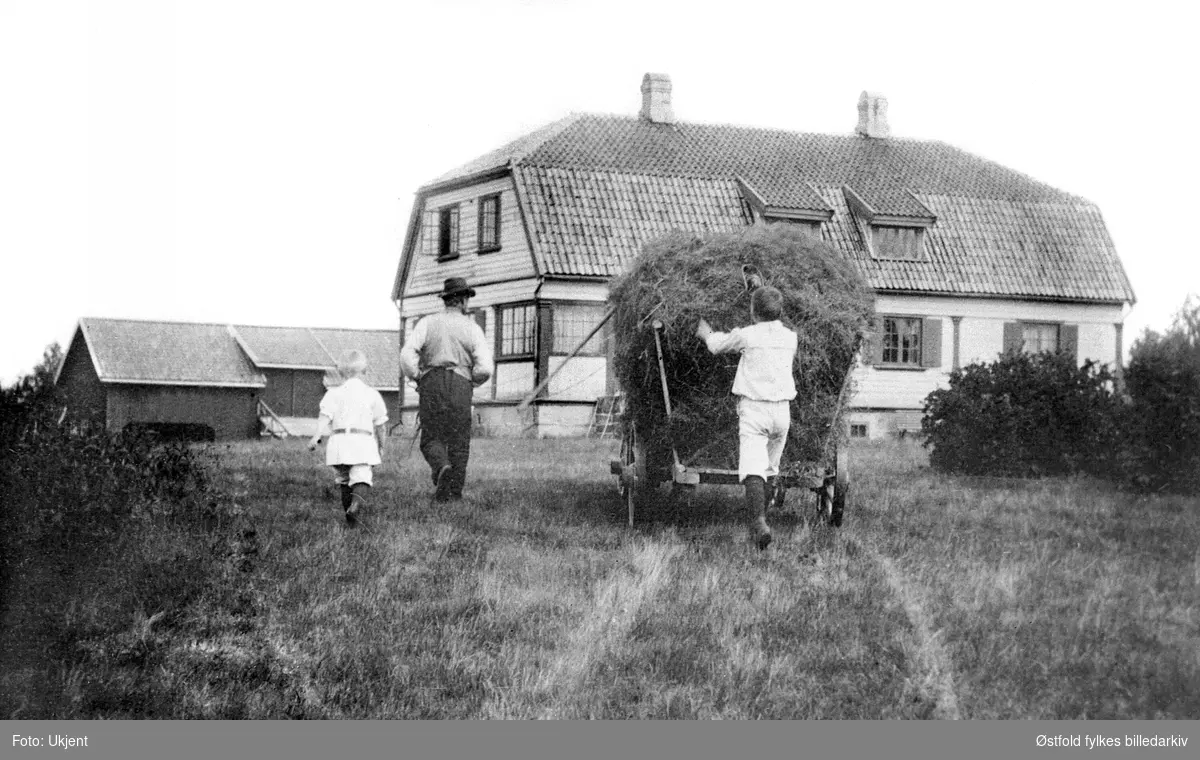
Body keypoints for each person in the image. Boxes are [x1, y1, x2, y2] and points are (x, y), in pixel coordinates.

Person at [695, 285, 798, 550]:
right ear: (779, 312)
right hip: (782, 412)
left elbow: (717, 346)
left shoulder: (747, 335)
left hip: (755, 410)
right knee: (770, 467)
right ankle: (761, 516)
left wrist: (706, 332)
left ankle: (758, 523)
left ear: (753, 312)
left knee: (753, 467)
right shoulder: (791, 337)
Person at [400, 277, 494, 502]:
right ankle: (454, 493)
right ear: (462, 302)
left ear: (446, 300)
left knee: (431, 437)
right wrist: (471, 381)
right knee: (460, 441)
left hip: (431, 382)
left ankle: (441, 467)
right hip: (461, 385)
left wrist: (418, 376)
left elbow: (406, 355)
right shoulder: (473, 328)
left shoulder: (426, 323)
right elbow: (486, 368)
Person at [307, 350, 389, 526]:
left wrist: (316, 437)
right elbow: (381, 425)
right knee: (361, 478)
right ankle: (356, 505)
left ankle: (350, 520)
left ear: (341, 372)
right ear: (365, 370)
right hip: (362, 441)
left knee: (344, 481)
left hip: (338, 443)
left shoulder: (333, 393)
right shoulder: (372, 394)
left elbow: (324, 417)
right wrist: (381, 446)